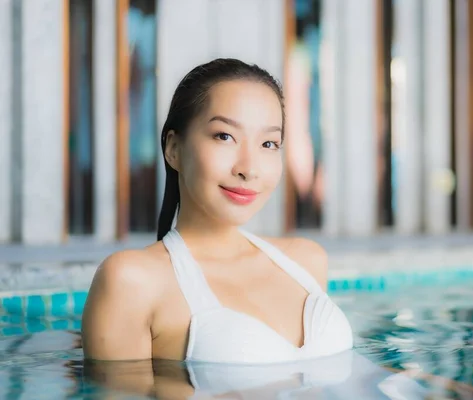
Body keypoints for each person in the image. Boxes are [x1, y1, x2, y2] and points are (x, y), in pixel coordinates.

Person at [81, 58, 353, 364]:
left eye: (268, 143)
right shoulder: (132, 281)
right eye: (224, 136)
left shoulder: (307, 260)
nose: (249, 169)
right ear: (173, 149)